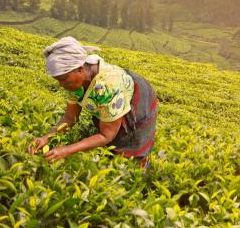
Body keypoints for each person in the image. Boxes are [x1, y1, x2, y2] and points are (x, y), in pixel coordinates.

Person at [28, 37, 158, 168]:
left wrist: (67, 150)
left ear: (79, 69)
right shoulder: (74, 82)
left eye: (63, 80)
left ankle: (143, 167)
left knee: (129, 144)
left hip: (137, 97)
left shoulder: (108, 87)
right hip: (111, 97)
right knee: (106, 127)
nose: (61, 85)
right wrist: (46, 137)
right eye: (58, 80)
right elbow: (70, 117)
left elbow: (106, 135)